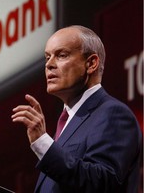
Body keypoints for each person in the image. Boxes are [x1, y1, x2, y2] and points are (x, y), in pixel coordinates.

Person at [11, 25, 142, 193]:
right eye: (47, 57)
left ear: (91, 63)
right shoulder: (67, 123)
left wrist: (43, 143)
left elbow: (101, 183)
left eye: (61, 55)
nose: (49, 65)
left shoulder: (113, 114)